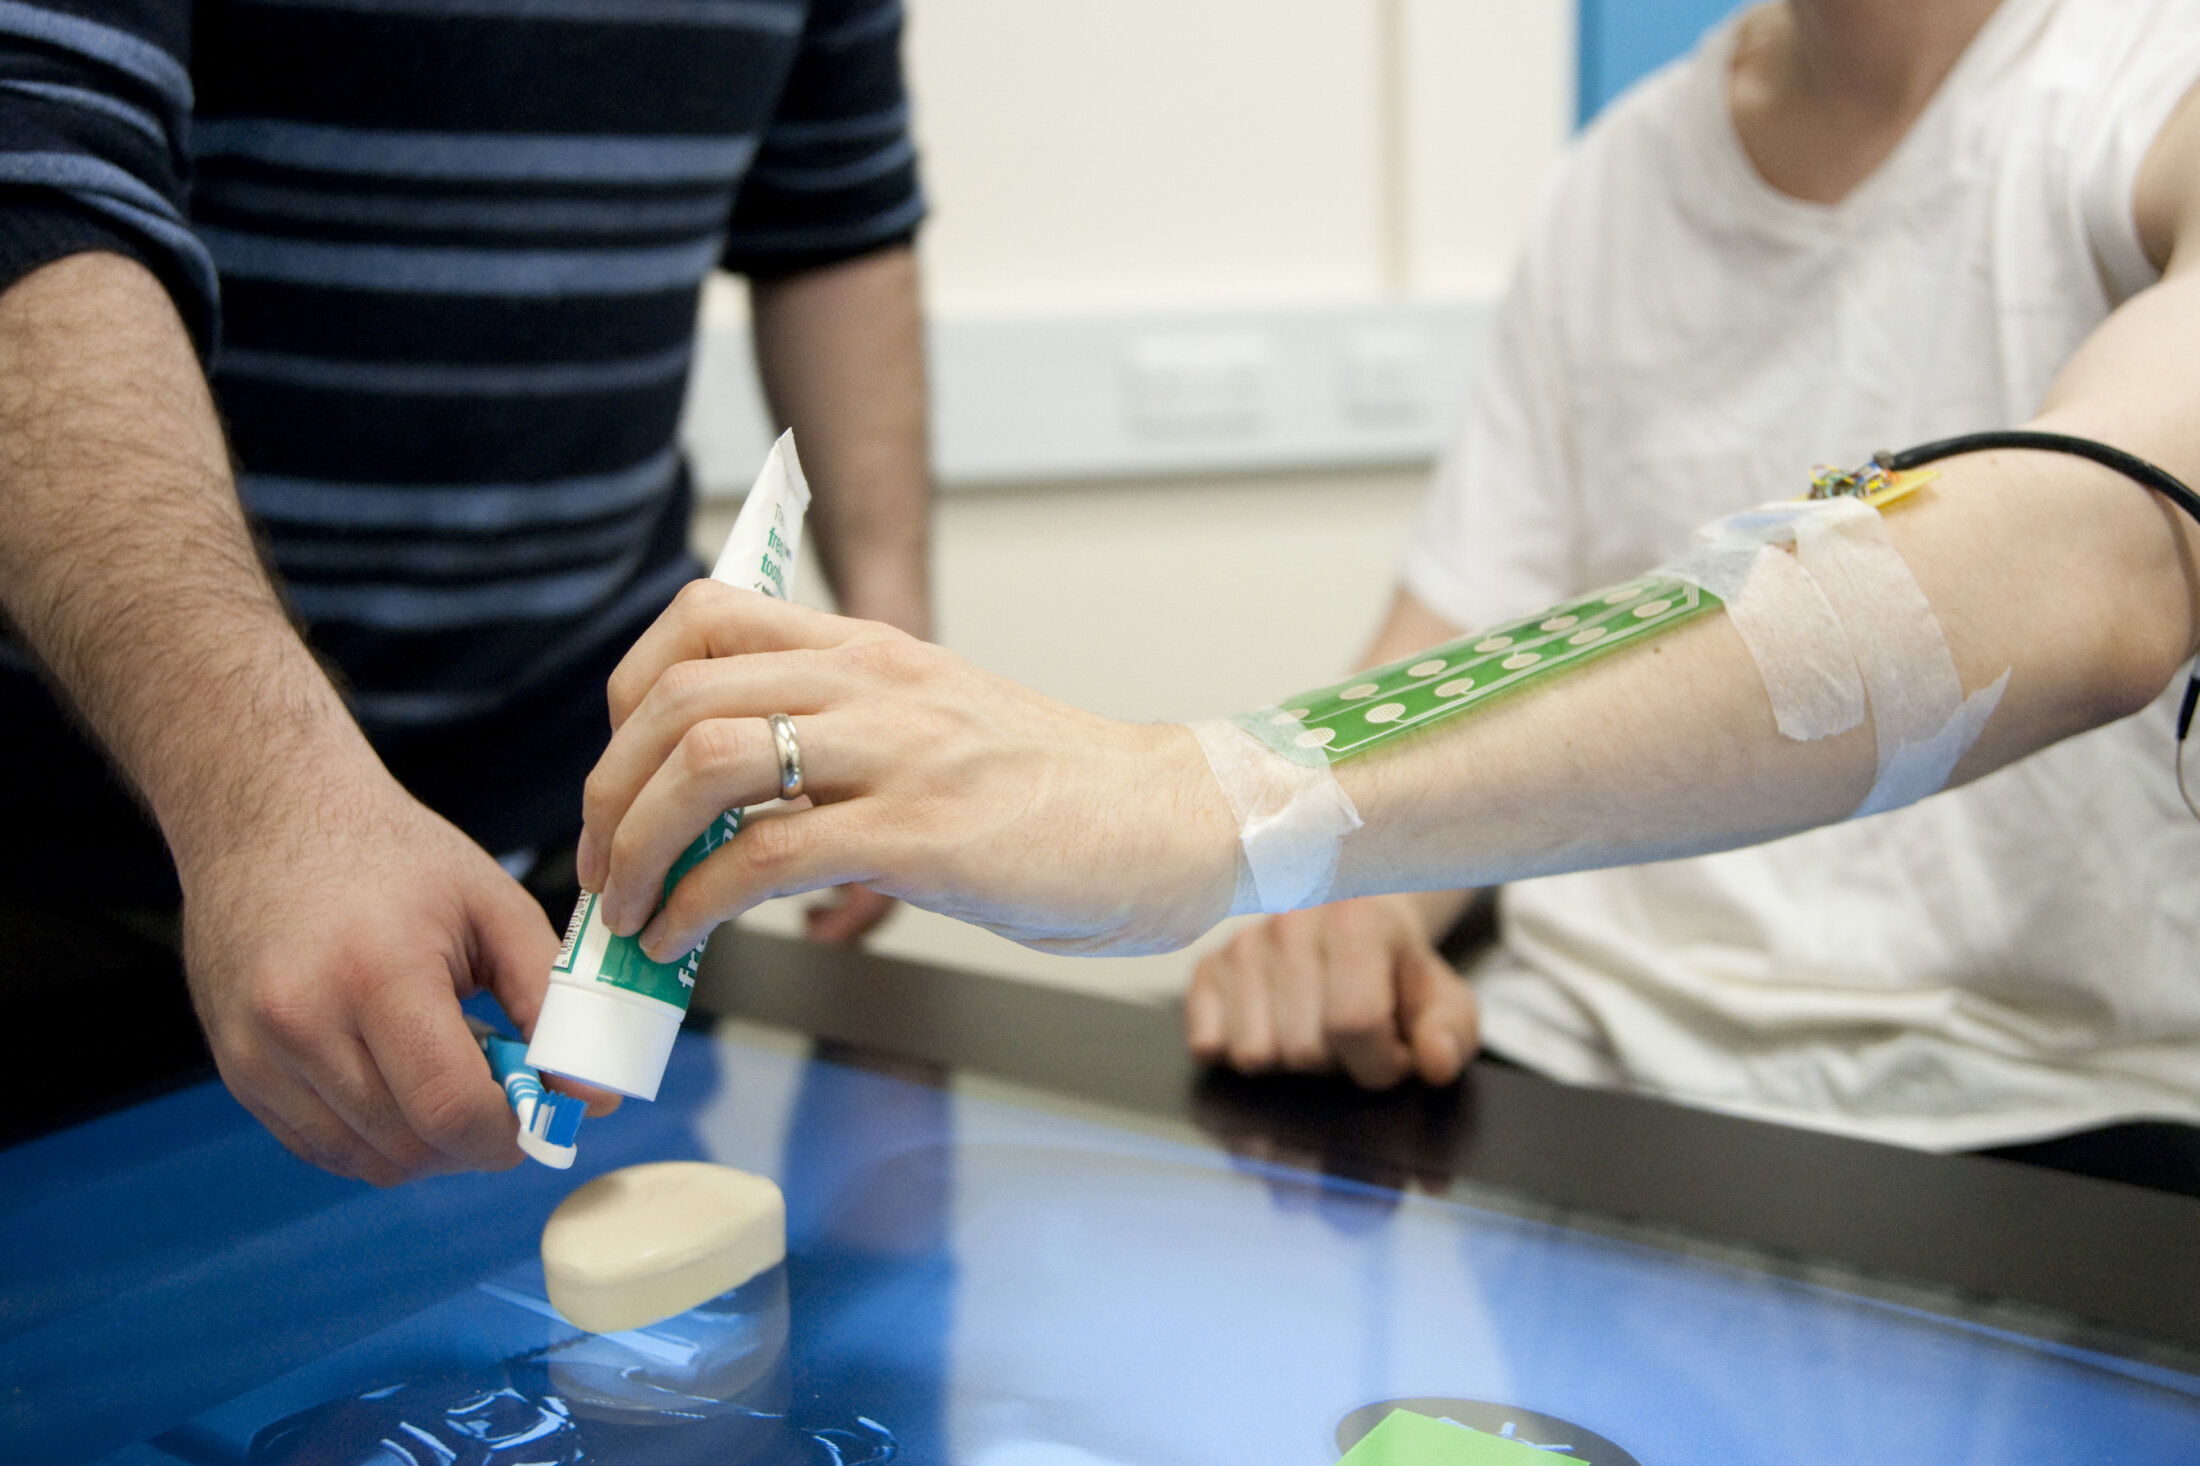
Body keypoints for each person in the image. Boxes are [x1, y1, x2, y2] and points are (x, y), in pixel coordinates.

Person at [573, 0, 2200, 1189]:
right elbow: (1437, 691)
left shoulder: (2140, 93)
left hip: (2042, 1132)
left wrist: (1197, 798)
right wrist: (1334, 914)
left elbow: (2100, 553)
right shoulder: (1615, 188)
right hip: (1566, 1092)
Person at [0, 0, 930, 1179]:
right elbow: (30, 179)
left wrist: (883, 645)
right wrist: (266, 803)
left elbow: (836, 213)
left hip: (594, 860)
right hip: (110, 877)